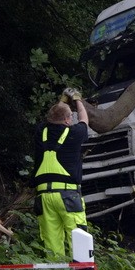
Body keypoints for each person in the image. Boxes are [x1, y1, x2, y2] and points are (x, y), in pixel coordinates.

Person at [32, 88, 89, 256]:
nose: (72, 120)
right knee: (79, 238)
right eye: (70, 117)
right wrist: (78, 100)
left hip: (43, 197)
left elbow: (54, 114)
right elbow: (85, 120)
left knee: (51, 244)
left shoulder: (40, 132)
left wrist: (63, 101)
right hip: (67, 195)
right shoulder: (73, 133)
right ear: (66, 119)